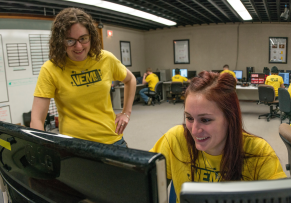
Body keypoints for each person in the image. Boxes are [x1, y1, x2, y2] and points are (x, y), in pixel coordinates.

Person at [150, 71, 286, 203]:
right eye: (189, 118)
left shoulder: (259, 152)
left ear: (230, 118)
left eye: (205, 120)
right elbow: (141, 181)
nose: (195, 130)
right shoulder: (175, 139)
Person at [30, 8, 136, 147]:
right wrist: (43, 148)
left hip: (112, 140)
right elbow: (36, 119)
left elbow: (130, 80)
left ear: (91, 36)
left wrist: (126, 113)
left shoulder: (105, 59)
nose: (78, 46)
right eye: (70, 41)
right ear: (60, 41)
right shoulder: (51, 69)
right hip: (74, 146)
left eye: (83, 39)